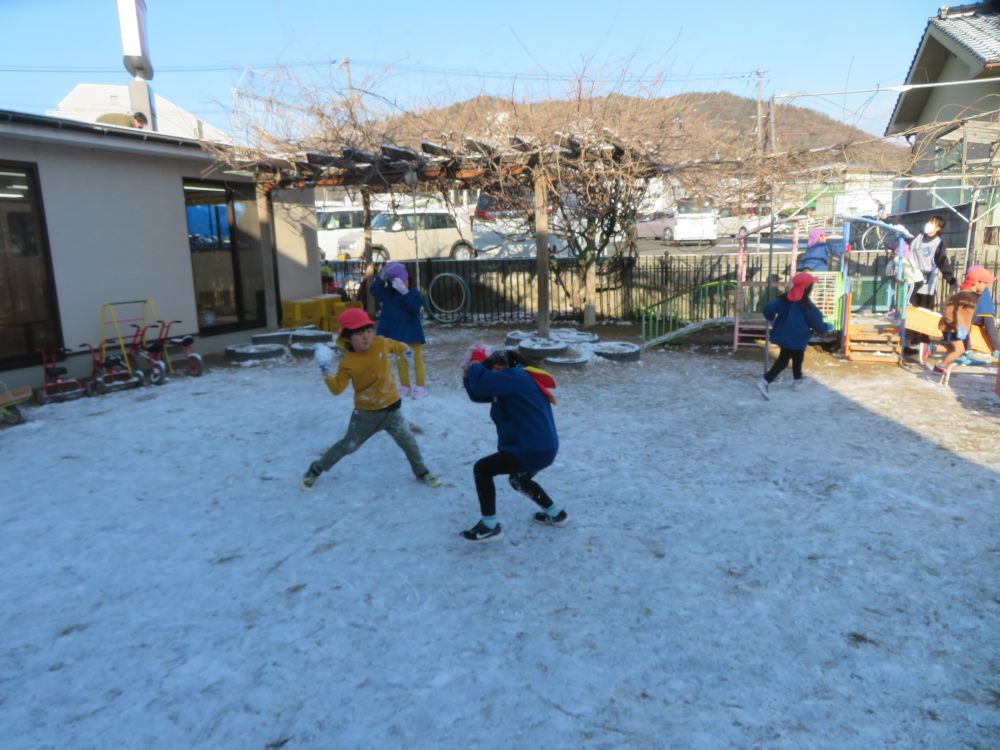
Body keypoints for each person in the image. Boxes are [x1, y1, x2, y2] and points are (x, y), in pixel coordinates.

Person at [300, 307, 439, 490]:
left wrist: (407, 352)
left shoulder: (380, 343)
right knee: (347, 446)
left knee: (408, 441)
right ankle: (316, 468)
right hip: (365, 415)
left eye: (368, 330)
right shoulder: (348, 362)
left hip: (391, 410)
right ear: (348, 337)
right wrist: (326, 371)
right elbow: (337, 389)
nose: (366, 336)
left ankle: (421, 471)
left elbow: (397, 346)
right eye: (359, 333)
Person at [460, 345, 565, 543]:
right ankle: (555, 514)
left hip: (531, 448)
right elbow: (478, 392)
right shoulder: (511, 381)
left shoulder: (516, 377)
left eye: (491, 369)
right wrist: (468, 375)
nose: (490, 374)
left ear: (501, 366)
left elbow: (482, 383)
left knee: (482, 469)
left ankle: (489, 526)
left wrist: (475, 361)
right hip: (542, 447)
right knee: (519, 480)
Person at [756, 272, 834, 399]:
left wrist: (772, 319)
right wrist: (828, 327)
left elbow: (768, 309)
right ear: (807, 288)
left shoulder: (783, 299)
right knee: (784, 360)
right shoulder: (806, 305)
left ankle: (797, 381)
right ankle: (764, 381)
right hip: (797, 337)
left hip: (786, 335)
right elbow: (817, 323)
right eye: (812, 285)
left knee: (798, 356)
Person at [369, 262, 428, 398]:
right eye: (400, 280)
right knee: (401, 362)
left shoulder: (413, 293)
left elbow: (415, 307)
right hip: (397, 335)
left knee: (416, 360)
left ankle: (420, 386)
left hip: (412, 333)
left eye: (406, 279)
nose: (404, 282)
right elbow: (374, 290)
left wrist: (405, 293)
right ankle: (405, 385)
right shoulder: (388, 294)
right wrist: (381, 277)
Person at [934, 266, 998, 376]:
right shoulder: (965, 295)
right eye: (984, 283)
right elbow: (950, 311)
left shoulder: (972, 295)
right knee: (959, 350)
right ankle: (940, 366)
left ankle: (931, 351)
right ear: (976, 282)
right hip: (950, 328)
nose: (986, 285)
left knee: (954, 349)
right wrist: (959, 327)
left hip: (955, 328)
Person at [910, 215, 955, 309]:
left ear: (938, 228)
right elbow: (901, 228)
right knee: (908, 309)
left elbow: (942, 262)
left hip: (927, 284)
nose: (929, 224)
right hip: (912, 279)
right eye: (929, 221)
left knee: (924, 312)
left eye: (932, 223)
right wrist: (887, 219)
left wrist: (951, 280)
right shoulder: (917, 236)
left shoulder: (938, 243)